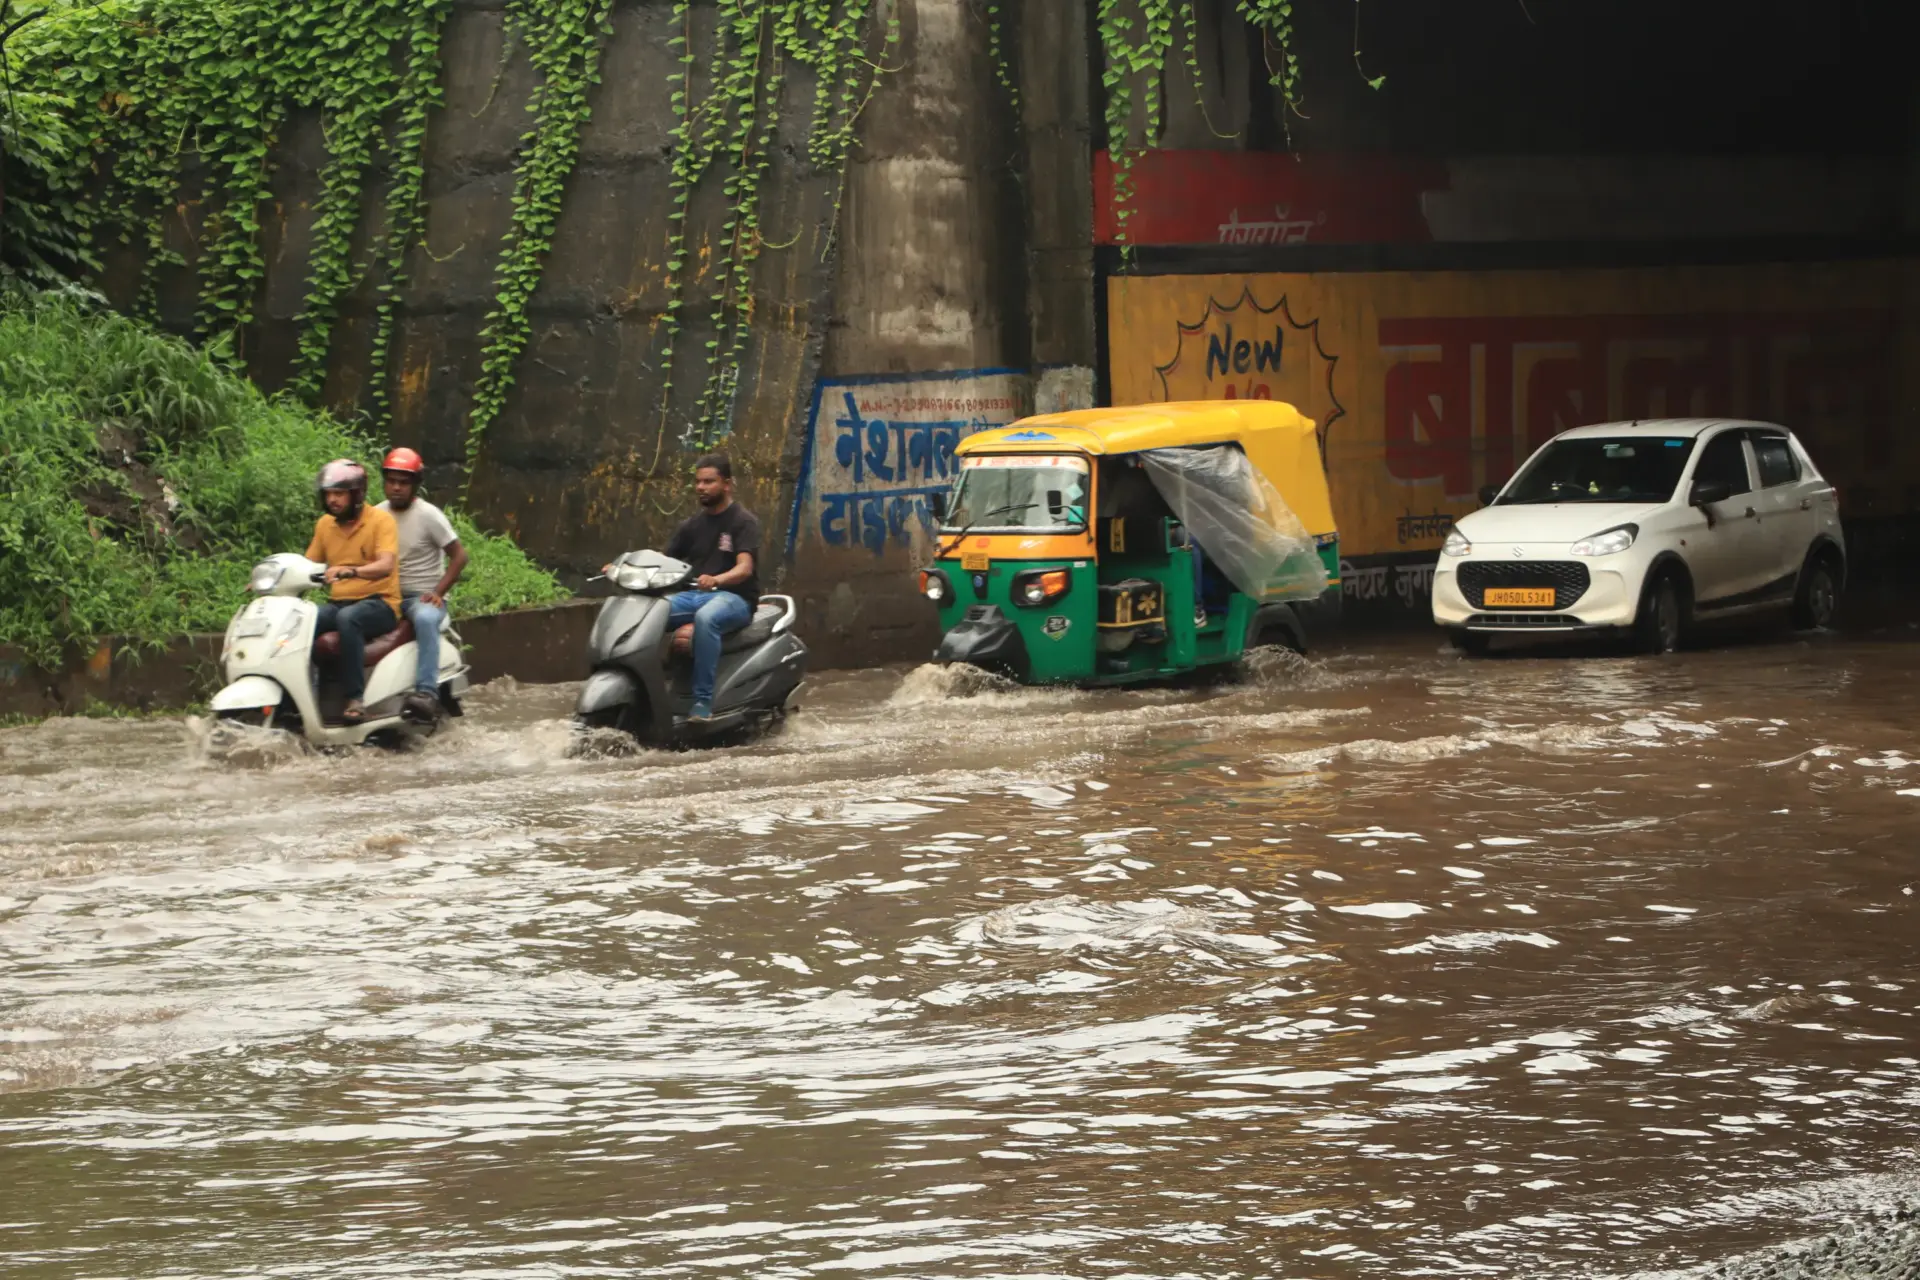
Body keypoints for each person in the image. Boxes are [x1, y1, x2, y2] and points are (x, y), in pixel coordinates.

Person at [607, 453, 760, 723]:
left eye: (709, 482)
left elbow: (744, 568)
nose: (701, 487)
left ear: (727, 484)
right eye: (698, 482)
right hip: (694, 595)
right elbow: (664, 562)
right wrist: (623, 567)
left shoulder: (743, 521)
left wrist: (717, 579)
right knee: (647, 612)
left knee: (707, 618)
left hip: (734, 598)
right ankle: (647, 689)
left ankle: (702, 702)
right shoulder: (691, 526)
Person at [375, 447, 468, 721]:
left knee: (426, 620)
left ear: (415, 485)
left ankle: (426, 693)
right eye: (391, 481)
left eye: (403, 483)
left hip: (421, 597)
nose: (396, 488)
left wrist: (438, 592)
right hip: (385, 595)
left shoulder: (429, 515)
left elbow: (460, 556)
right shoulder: (377, 515)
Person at [306, 459, 401, 724]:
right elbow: (309, 564)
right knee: (304, 619)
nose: (333, 500)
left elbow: (385, 564)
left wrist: (352, 571)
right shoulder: (325, 524)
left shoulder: (381, 521)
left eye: (339, 494)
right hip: (340, 602)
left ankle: (355, 698)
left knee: (349, 619)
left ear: (357, 495)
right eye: (329, 494)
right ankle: (301, 694)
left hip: (380, 603)